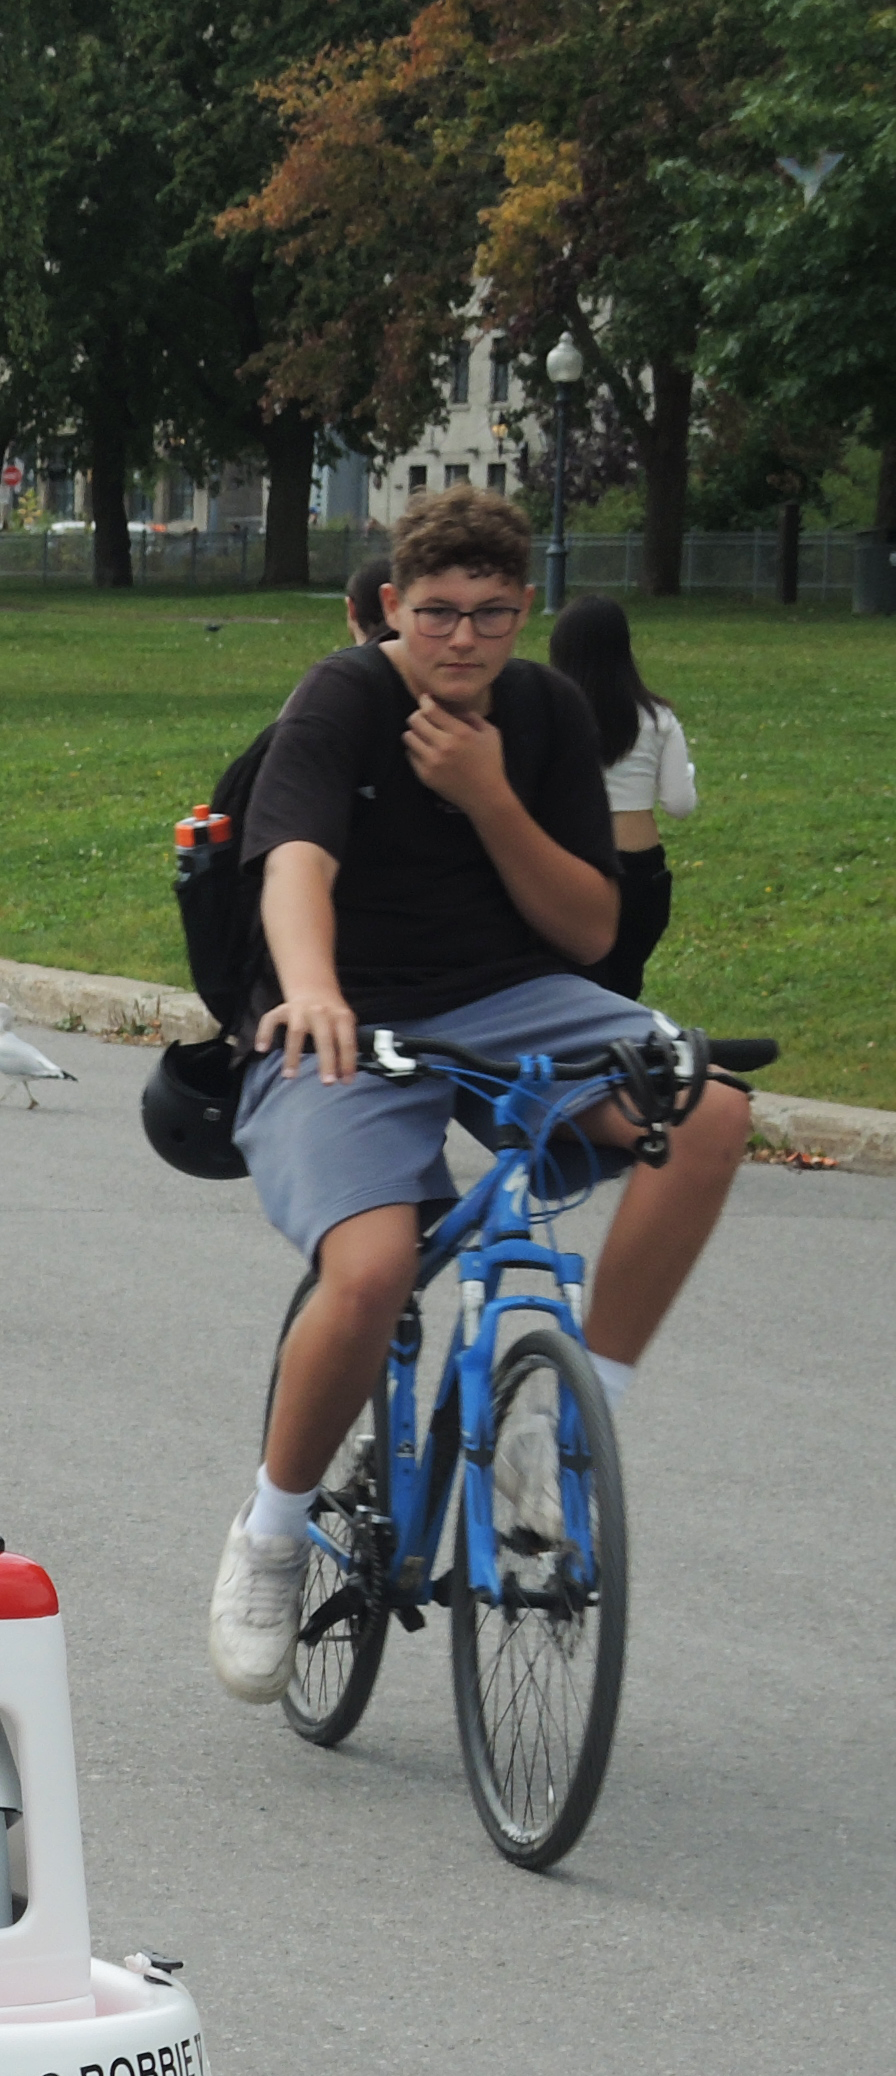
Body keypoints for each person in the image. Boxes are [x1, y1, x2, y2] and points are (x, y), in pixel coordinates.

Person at [204, 488, 748, 1703]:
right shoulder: (342, 696)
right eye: (437, 612)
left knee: (705, 1109)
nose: (462, 639)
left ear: (522, 613)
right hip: (340, 1002)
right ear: (391, 606)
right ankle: (272, 1533)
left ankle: (555, 1450)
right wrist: (309, 989)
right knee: (372, 1267)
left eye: (491, 615)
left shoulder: (545, 713)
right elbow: (290, 859)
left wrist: (489, 794)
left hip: (511, 1002)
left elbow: (591, 928)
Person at [546, 595, 692, 1004]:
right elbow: (680, 803)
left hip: (568, 860)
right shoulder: (658, 719)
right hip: (641, 871)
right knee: (624, 986)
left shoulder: (552, 714)